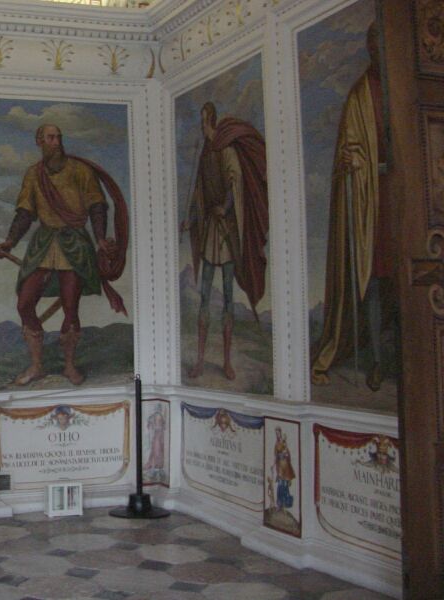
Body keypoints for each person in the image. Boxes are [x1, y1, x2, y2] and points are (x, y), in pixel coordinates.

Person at [0, 124, 129, 386]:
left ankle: (69, 366)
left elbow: (97, 206)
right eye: (51, 138)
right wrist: (10, 241)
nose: (56, 142)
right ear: (39, 141)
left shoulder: (80, 171)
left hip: (75, 242)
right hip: (43, 243)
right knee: (24, 303)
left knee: (70, 306)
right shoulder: (34, 174)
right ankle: (36, 366)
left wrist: (100, 238)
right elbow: (25, 213)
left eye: (58, 137)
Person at [311, 23, 392, 392]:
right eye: (374, 45)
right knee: (373, 281)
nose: (379, 51)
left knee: (407, 279)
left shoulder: (406, 86)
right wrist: (351, 161)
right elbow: (350, 148)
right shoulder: (361, 95)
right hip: (373, 199)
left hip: (406, 197)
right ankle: (377, 360)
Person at [181, 102, 268, 380]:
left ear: (211, 121)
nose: (202, 127)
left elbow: (235, 182)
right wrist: (191, 221)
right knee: (205, 295)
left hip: (227, 232)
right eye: (201, 122)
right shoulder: (205, 155)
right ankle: (200, 360)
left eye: (204, 121)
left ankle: (227, 362)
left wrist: (226, 206)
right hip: (210, 230)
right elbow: (199, 196)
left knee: (229, 296)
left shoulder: (226, 151)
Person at [272, 427, 295, 510]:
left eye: (278, 433)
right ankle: (279, 503)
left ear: (280, 433)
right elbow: (275, 455)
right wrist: (273, 465)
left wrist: (285, 454)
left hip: (285, 466)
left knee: (285, 486)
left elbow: (287, 454)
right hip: (280, 467)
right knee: (280, 485)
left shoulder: (284, 442)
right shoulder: (276, 444)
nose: (277, 434)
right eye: (276, 433)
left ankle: (285, 503)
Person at [143, 403, 166, 479]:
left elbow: (161, 427)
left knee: (157, 451)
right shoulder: (157, 416)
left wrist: (153, 425)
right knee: (156, 451)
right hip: (158, 436)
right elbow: (158, 426)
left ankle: (157, 469)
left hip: (159, 436)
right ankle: (155, 469)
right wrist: (152, 425)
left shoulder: (158, 416)